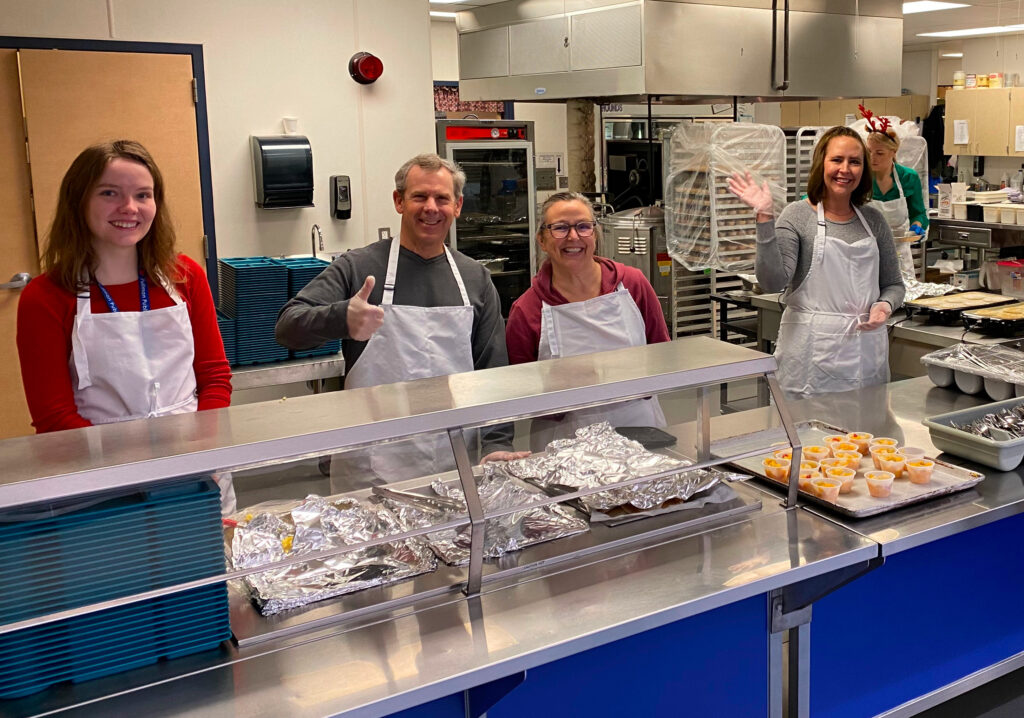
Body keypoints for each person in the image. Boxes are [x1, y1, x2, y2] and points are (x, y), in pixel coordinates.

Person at [275, 153, 525, 487]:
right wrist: (340, 319)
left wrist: (496, 444)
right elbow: (287, 326)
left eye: (442, 198)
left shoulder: (474, 279)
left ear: (458, 206)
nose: (431, 208)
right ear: (399, 201)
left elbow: (493, 374)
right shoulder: (358, 267)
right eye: (419, 196)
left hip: (454, 465)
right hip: (371, 470)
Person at [16, 140, 234, 511]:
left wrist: (199, 455)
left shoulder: (185, 277)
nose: (129, 208)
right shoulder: (46, 296)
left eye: (142, 195)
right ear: (78, 201)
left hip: (196, 469)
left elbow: (214, 377)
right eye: (109, 193)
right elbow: (54, 416)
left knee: (208, 564)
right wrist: (123, 472)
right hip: (99, 479)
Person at [728, 126, 905, 401]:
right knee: (811, 440)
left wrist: (884, 305)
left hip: (866, 357)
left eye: (854, 162)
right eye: (837, 160)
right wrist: (764, 218)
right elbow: (772, 282)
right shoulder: (797, 216)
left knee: (864, 439)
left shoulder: (873, 220)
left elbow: (893, 284)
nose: (845, 169)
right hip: (810, 363)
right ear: (821, 163)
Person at [505, 191, 671, 451]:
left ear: (595, 234)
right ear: (542, 240)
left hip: (638, 430)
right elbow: (522, 393)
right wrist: (564, 386)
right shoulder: (527, 310)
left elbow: (662, 354)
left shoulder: (632, 284)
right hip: (565, 442)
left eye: (583, 226)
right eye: (560, 228)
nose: (574, 237)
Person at [862, 107, 929, 279]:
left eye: (879, 153)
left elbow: (919, 213)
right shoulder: (861, 178)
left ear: (893, 152)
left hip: (899, 253)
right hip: (866, 253)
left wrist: (918, 225)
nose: (872, 157)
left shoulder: (908, 178)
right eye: (869, 151)